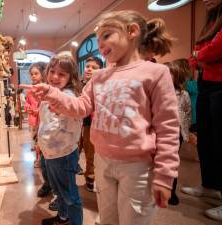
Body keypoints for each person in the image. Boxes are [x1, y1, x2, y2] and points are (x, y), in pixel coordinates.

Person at [22, 10, 180, 225]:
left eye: (106, 35)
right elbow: (80, 107)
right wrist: (51, 93)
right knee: (107, 219)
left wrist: (165, 174)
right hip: (102, 161)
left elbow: (168, 127)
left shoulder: (155, 73)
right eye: (98, 39)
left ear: (132, 31)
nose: (100, 44)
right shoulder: (99, 77)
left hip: (137, 166)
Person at [181, 0, 222, 221]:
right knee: (206, 139)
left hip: (220, 85)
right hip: (207, 84)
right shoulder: (211, 23)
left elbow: (210, 51)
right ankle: (210, 186)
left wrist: (200, 55)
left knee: (219, 141)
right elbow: (195, 56)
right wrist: (200, 56)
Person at [37, 55, 83, 225]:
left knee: (70, 196)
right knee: (59, 192)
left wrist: (60, 110)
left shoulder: (69, 97)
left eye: (62, 74)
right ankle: (62, 218)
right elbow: (46, 120)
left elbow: (73, 123)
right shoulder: (48, 92)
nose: (55, 77)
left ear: (70, 77)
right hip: (50, 154)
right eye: (52, 71)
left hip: (63, 155)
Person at [164, 60, 192, 206]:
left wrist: (186, 132)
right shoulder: (157, 93)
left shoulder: (183, 94)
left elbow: (187, 112)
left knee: (172, 162)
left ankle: (171, 191)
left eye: (169, 74)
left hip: (176, 134)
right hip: (159, 133)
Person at [79, 56, 103, 192]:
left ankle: (90, 177)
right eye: (87, 66)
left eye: (94, 68)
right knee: (73, 149)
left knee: (90, 152)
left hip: (91, 124)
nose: (89, 69)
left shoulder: (100, 85)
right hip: (77, 123)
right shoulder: (78, 84)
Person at [25, 62, 47, 169]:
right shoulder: (30, 90)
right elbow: (27, 102)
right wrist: (27, 107)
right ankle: (38, 158)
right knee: (36, 140)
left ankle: (43, 159)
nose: (33, 76)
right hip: (34, 120)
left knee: (42, 141)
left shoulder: (45, 89)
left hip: (43, 120)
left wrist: (38, 110)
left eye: (36, 73)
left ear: (42, 74)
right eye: (32, 74)